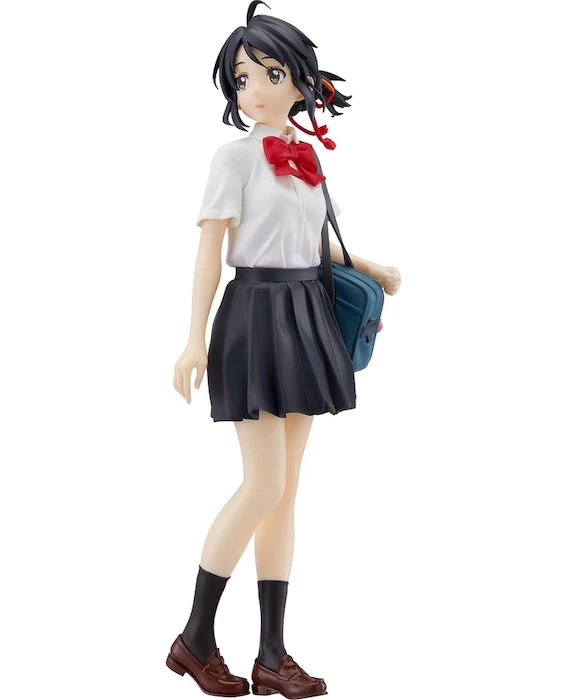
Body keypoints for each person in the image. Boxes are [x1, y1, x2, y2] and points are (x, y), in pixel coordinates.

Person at [167, 2, 401, 697]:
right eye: (243, 78)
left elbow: (312, 244)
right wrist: (192, 338)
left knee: (286, 490)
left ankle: (272, 654)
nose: (256, 89)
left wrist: (371, 265)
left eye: (270, 73)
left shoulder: (308, 158)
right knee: (263, 483)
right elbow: (210, 250)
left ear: (301, 79)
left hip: (306, 313)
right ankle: (195, 637)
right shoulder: (232, 158)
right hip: (255, 314)